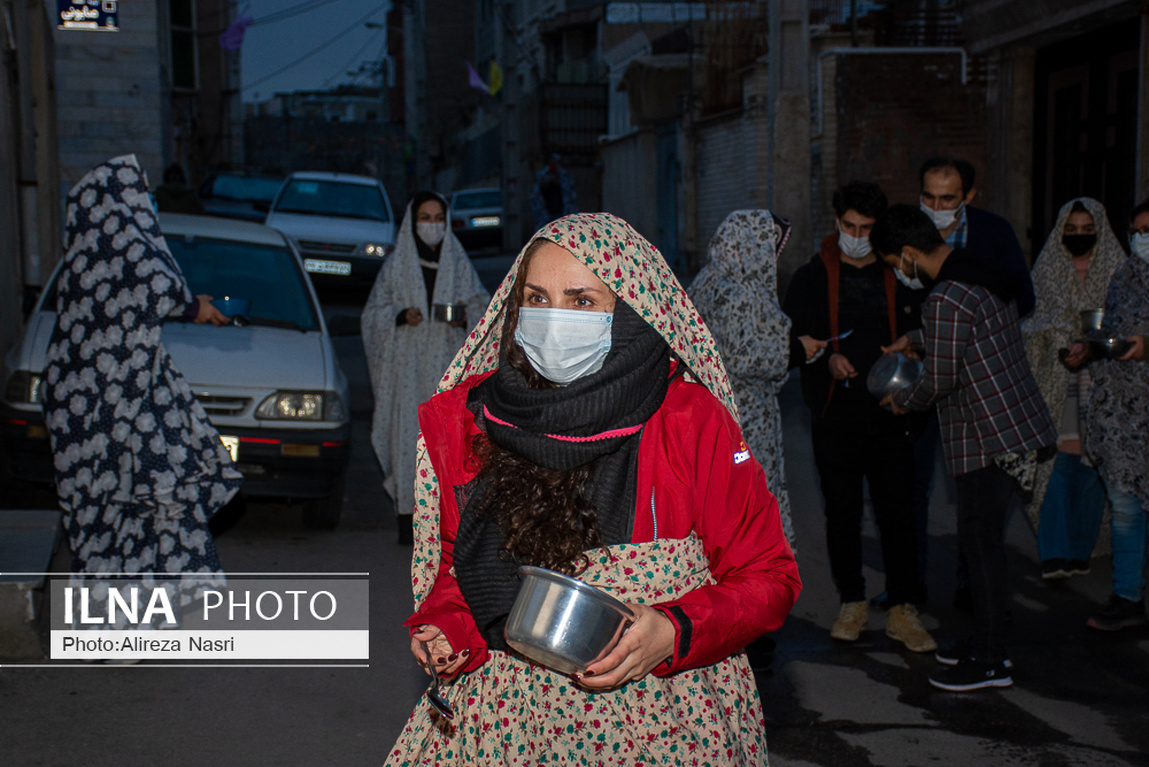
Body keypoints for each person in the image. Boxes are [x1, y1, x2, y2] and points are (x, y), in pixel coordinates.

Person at [385, 212, 800, 764]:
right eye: (535, 298)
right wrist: (447, 627)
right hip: (509, 726)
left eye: (582, 301)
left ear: (631, 312)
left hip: (657, 724)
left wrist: (673, 629)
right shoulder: (472, 422)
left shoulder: (688, 419)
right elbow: (454, 567)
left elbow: (769, 576)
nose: (554, 319)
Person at [42, 154, 241, 612]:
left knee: (129, 514)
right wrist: (194, 308)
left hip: (97, 409)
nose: (147, 204)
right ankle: (114, 633)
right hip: (100, 414)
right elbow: (152, 283)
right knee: (113, 518)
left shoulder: (90, 253)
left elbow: (141, 297)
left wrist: (191, 304)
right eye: (140, 195)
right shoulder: (117, 249)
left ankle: (125, 622)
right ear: (119, 205)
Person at [872, 204, 1056, 692]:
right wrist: (915, 339)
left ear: (910, 253)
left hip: (989, 437)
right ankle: (982, 644)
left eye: (895, 263)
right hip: (1011, 429)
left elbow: (942, 377)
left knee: (981, 549)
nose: (898, 272)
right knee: (981, 545)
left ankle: (992, 661)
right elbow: (967, 338)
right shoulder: (976, 275)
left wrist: (901, 402)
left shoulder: (945, 297)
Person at [782, 182, 934, 652]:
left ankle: (904, 609)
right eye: (849, 225)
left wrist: (912, 341)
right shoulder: (812, 275)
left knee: (898, 511)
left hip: (893, 412)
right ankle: (852, 600)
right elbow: (792, 339)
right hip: (836, 413)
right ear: (836, 223)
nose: (856, 235)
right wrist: (823, 358)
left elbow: (933, 326)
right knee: (842, 512)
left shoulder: (901, 273)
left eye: (866, 228)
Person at [917, 156, 1037, 612]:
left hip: (973, 386)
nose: (937, 206)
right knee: (914, 483)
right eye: (928, 197)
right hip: (924, 375)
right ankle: (913, 587)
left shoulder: (993, 233)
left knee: (976, 501)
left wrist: (973, 327)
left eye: (947, 198)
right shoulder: (914, 233)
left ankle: (974, 583)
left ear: (967, 196)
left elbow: (1022, 294)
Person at [361, 191, 490, 544]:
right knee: (407, 438)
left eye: (438, 218)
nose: (431, 226)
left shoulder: (458, 261)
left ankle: (446, 525)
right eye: (425, 218)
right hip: (405, 369)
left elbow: (485, 306)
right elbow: (372, 315)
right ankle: (409, 521)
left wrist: (463, 316)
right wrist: (400, 316)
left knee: (445, 442)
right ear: (412, 221)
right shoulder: (396, 265)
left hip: (445, 368)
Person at [1023, 198, 1125, 580]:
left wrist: (1097, 343)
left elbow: (1130, 323)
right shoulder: (1047, 269)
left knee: (1092, 463)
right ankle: (1054, 552)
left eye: (1087, 228)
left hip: (1106, 380)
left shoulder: (1118, 270)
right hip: (1057, 377)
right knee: (1055, 465)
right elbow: (1030, 322)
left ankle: (1081, 550)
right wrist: (1063, 334)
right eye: (1072, 228)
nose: (1079, 235)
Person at [688, 209, 796, 548]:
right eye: (771, 244)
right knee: (748, 499)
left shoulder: (708, 277)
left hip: (709, 410)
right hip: (746, 415)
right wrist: (797, 350)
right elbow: (749, 359)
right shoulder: (742, 293)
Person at [1065, 198, 1149, 631]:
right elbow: (1112, 327)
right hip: (1122, 417)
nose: (1142, 239)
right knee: (1125, 505)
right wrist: (1089, 345)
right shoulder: (1126, 274)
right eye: (1137, 230)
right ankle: (1127, 596)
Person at [529, 153, 577, 230]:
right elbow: (535, 194)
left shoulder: (564, 176)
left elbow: (570, 195)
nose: (554, 165)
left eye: (556, 163)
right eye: (552, 163)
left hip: (562, 213)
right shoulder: (542, 176)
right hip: (546, 214)